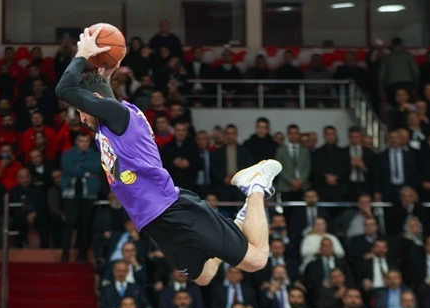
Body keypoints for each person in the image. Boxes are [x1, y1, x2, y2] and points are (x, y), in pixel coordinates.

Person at [55, 26, 282, 286]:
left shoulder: (118, 115)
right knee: (204, 275)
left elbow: (64, 89)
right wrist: (105, 76)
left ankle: (255, 185)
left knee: (256, 260)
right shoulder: (112, 119)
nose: (81, 118)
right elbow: (102, 97)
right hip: (155, 222)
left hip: (171, 210)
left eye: (81, 110)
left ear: (96, 100)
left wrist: (83, 53)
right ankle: (237, 224)